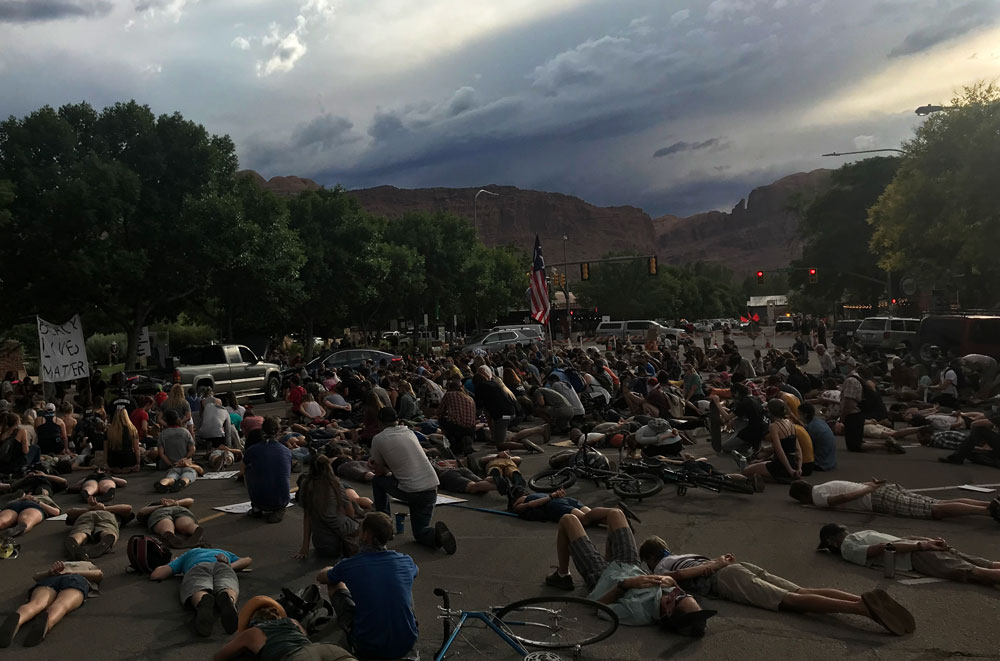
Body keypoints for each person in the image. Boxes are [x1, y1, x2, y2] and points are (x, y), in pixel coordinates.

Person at [638, 536, 913, 636]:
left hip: (725, 578)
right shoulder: (680, 555)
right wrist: (719, 561)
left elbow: (685, 578)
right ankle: (861, 598)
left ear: (651, 557)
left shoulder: (663, 566)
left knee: (789, 602)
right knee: (800, 591)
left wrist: (715, 564)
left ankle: (862, 608)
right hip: (737, 569)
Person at [543, 509, 714, 637]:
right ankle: (599, 539)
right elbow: (677, 586)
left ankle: (563, 576)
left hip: (603, 577)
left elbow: (597, 607)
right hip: (630, 564)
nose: (678, 593)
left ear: (668, 611)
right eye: (685, 595)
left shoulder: (637, 613)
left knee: (568, 520)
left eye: (678, 597)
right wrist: (673, 583)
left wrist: (625, 586)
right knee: (616, 513)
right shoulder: (676, 598)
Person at [317, 512, 419, 659]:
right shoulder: (405, 560)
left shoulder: (349, 565)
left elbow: (321, 578)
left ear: (366, 535)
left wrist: (329, 569)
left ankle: (351, 636)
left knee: (334, 583)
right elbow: (416, 571)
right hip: (407, 641)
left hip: (369, 646)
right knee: (403, 584)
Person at [368, 407, 455, 554]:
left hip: (411, 489)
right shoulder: (408, 432)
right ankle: (436, 536)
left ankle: (384, 527)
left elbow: (380, 471)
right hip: (431, 487)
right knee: (420, 532)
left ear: (380, 422)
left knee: (378, 481)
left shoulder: (379, 439)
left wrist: (374, 464)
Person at [818, 523, 1000, 588]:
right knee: (985, 564)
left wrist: (922, 545)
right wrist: (928, 541)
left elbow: (884, 547)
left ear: (831, 541)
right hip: (918, 547)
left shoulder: (847, 547)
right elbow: (902, 538)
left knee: (974, 572)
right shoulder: (864, 533)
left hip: (915, 555)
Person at [212, 595, 356, 661]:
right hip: (326, 648)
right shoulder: (292, 622)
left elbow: (219, 656)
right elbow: (304, 637)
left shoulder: (252, 633)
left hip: (296, 657)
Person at [150, 546, 253, 637]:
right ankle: (229, 600)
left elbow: (157, 574)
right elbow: (247, 560)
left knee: (197, 587)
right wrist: (230, 566)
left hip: (198, 566)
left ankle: (202, 601)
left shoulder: (190, 554)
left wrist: (173, 563)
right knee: (227, 584)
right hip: (223, 565)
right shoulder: (222, 552)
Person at [790, 479, 1000, 522]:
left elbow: (843, 498)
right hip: (881, 490)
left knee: (934, 510)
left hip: (876, 497)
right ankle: (986, 505)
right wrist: (870, 484)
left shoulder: (817, 497)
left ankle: (988, 511)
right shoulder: (825, 484)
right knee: (935, 503)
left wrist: (868, 489)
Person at [0, 560, 103, 648]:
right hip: (76, 579)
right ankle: (47, 622)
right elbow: (99, 574)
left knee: (36, 604)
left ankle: (19, 619)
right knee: (62, 604)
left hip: (51, 579)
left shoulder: (61, 563)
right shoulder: (88, 564)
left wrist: (51, 572)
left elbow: (36, 577)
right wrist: (70, 572)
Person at [295, 455, 360, 560]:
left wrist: (305, 547)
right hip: (343, 535)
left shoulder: (305, 485)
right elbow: (350, 512)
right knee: (363, 521)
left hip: (323, 546)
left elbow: (307, 517)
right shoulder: (335, 484)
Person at [244, 417, 292, 522]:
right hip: (281, 499)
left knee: (247, 469)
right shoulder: (286, 451)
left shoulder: (253, 450)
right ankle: (279, 508)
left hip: (259, 500)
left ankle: (256, 508)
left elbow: (244, 464)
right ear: (279, 432)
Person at [743, 398, 802, 484]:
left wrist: (790, 470)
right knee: (759, 463)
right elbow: (798, 449)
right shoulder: (790, 423)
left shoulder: (774, 426)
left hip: (780, 466)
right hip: (793, 463)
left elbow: (779, 451)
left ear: (770, 412)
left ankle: (777, 478)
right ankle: (779, 478)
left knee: (746, 471)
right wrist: (799, 468)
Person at [155, 409, 198, 493]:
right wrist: (184, 459)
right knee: (189, 474)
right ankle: (182, 483)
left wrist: (171, 464)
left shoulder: (163, 434)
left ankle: (163, 483)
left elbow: (161, 453)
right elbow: (192, 449)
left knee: (171, 476)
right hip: (185, 463)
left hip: (171, 464)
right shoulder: (185, 432)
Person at [137, 497, 204, 549]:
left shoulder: (153, 506)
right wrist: (174, 503)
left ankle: (169, 535)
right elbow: (191, 500)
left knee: (165, 522)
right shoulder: (175, 503)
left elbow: (141, 513)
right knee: (186, 524)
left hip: (161, 511)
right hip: (178, 509)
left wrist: (172, 503)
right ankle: (195, 530)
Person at [436, 379, 477, 455]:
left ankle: (453, 442)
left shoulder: (449, 394)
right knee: (460, 424)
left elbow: (439, 411)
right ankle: (465, 441)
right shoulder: (470, 398)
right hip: (471, 429)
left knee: (441, 420)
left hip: (457, 427)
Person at [799, 403, 836, 471]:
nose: (799, 416)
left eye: (800, 414)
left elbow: (805, 448)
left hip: (820, 463)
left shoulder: (811, 428)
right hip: (831, 461)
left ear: (805, 414)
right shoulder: (820, 422)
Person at [105, 407, 141, 473]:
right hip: (129, 461)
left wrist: (105, 463)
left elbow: (106, 449)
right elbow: (137, 448)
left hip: (113, 462)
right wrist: (138, 463)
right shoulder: (132, 430)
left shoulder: (109, 430)